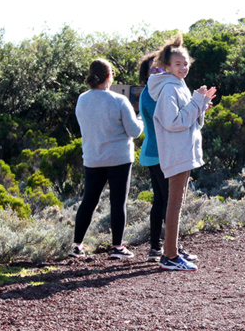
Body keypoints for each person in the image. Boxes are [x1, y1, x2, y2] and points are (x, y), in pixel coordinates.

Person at [148, 35, 216, 270]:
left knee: (176, 203)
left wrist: (201, 105)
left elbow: (194, 122)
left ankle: (172, 253)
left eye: (186, 64)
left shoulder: (179, 86)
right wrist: (196, 102)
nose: (183, 68)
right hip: (177, 153)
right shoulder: (169, 89)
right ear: (167, 66)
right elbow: (174, 122)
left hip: (183, 152)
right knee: (174, 204)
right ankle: (170, 256)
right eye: (178, 64)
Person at [70, 59, 144, 259]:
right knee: (118, 202)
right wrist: (140, 118)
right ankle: (117, 247)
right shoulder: (119, 101)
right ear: (109, 76)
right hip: (119, 158)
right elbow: (134, 132)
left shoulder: (82, 99)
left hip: (93, 157)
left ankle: (77, 245)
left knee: (88, 201)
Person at [137, 53, 198, 264]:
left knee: (161, 201)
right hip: (161, 152)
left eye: (159, 69)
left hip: (152, 151)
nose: (158, 73)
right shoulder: (158, 93)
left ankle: (157, 247)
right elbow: (172, 119)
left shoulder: (149, 92)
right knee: (169, 202)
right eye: (154, 70)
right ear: (146, 74)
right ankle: (170, 248)